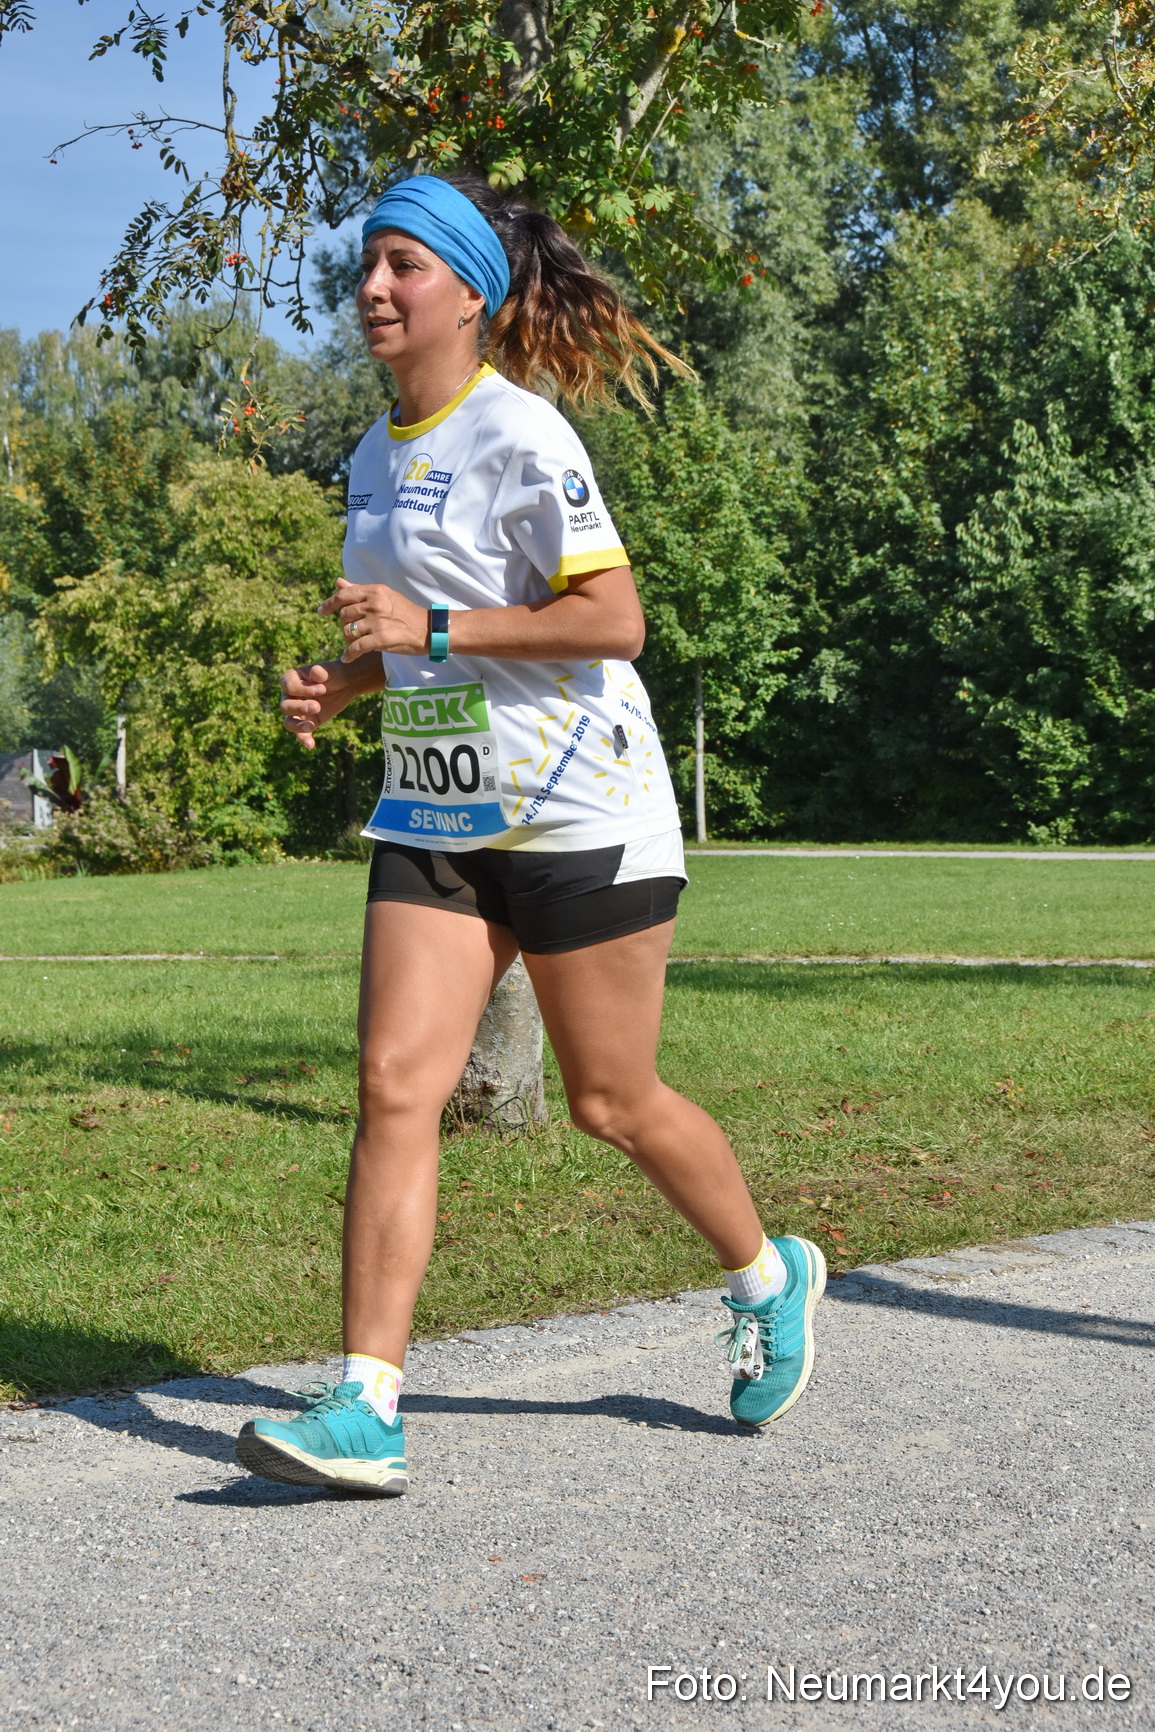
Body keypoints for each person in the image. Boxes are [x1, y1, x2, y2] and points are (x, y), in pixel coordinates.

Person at [235, 175, 824, 1496]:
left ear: (469, 296)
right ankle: (366, 1405)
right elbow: (424, 649)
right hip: (443, 813)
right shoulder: (374, 454)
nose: (373, 288)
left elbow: (613, 623)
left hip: (581, 811)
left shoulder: (521, 434)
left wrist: (425, 632)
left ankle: (769, 1273)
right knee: (396, 1085)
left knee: (615, 1100)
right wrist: (352, 685)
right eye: (367, 265)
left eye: (402, 265)